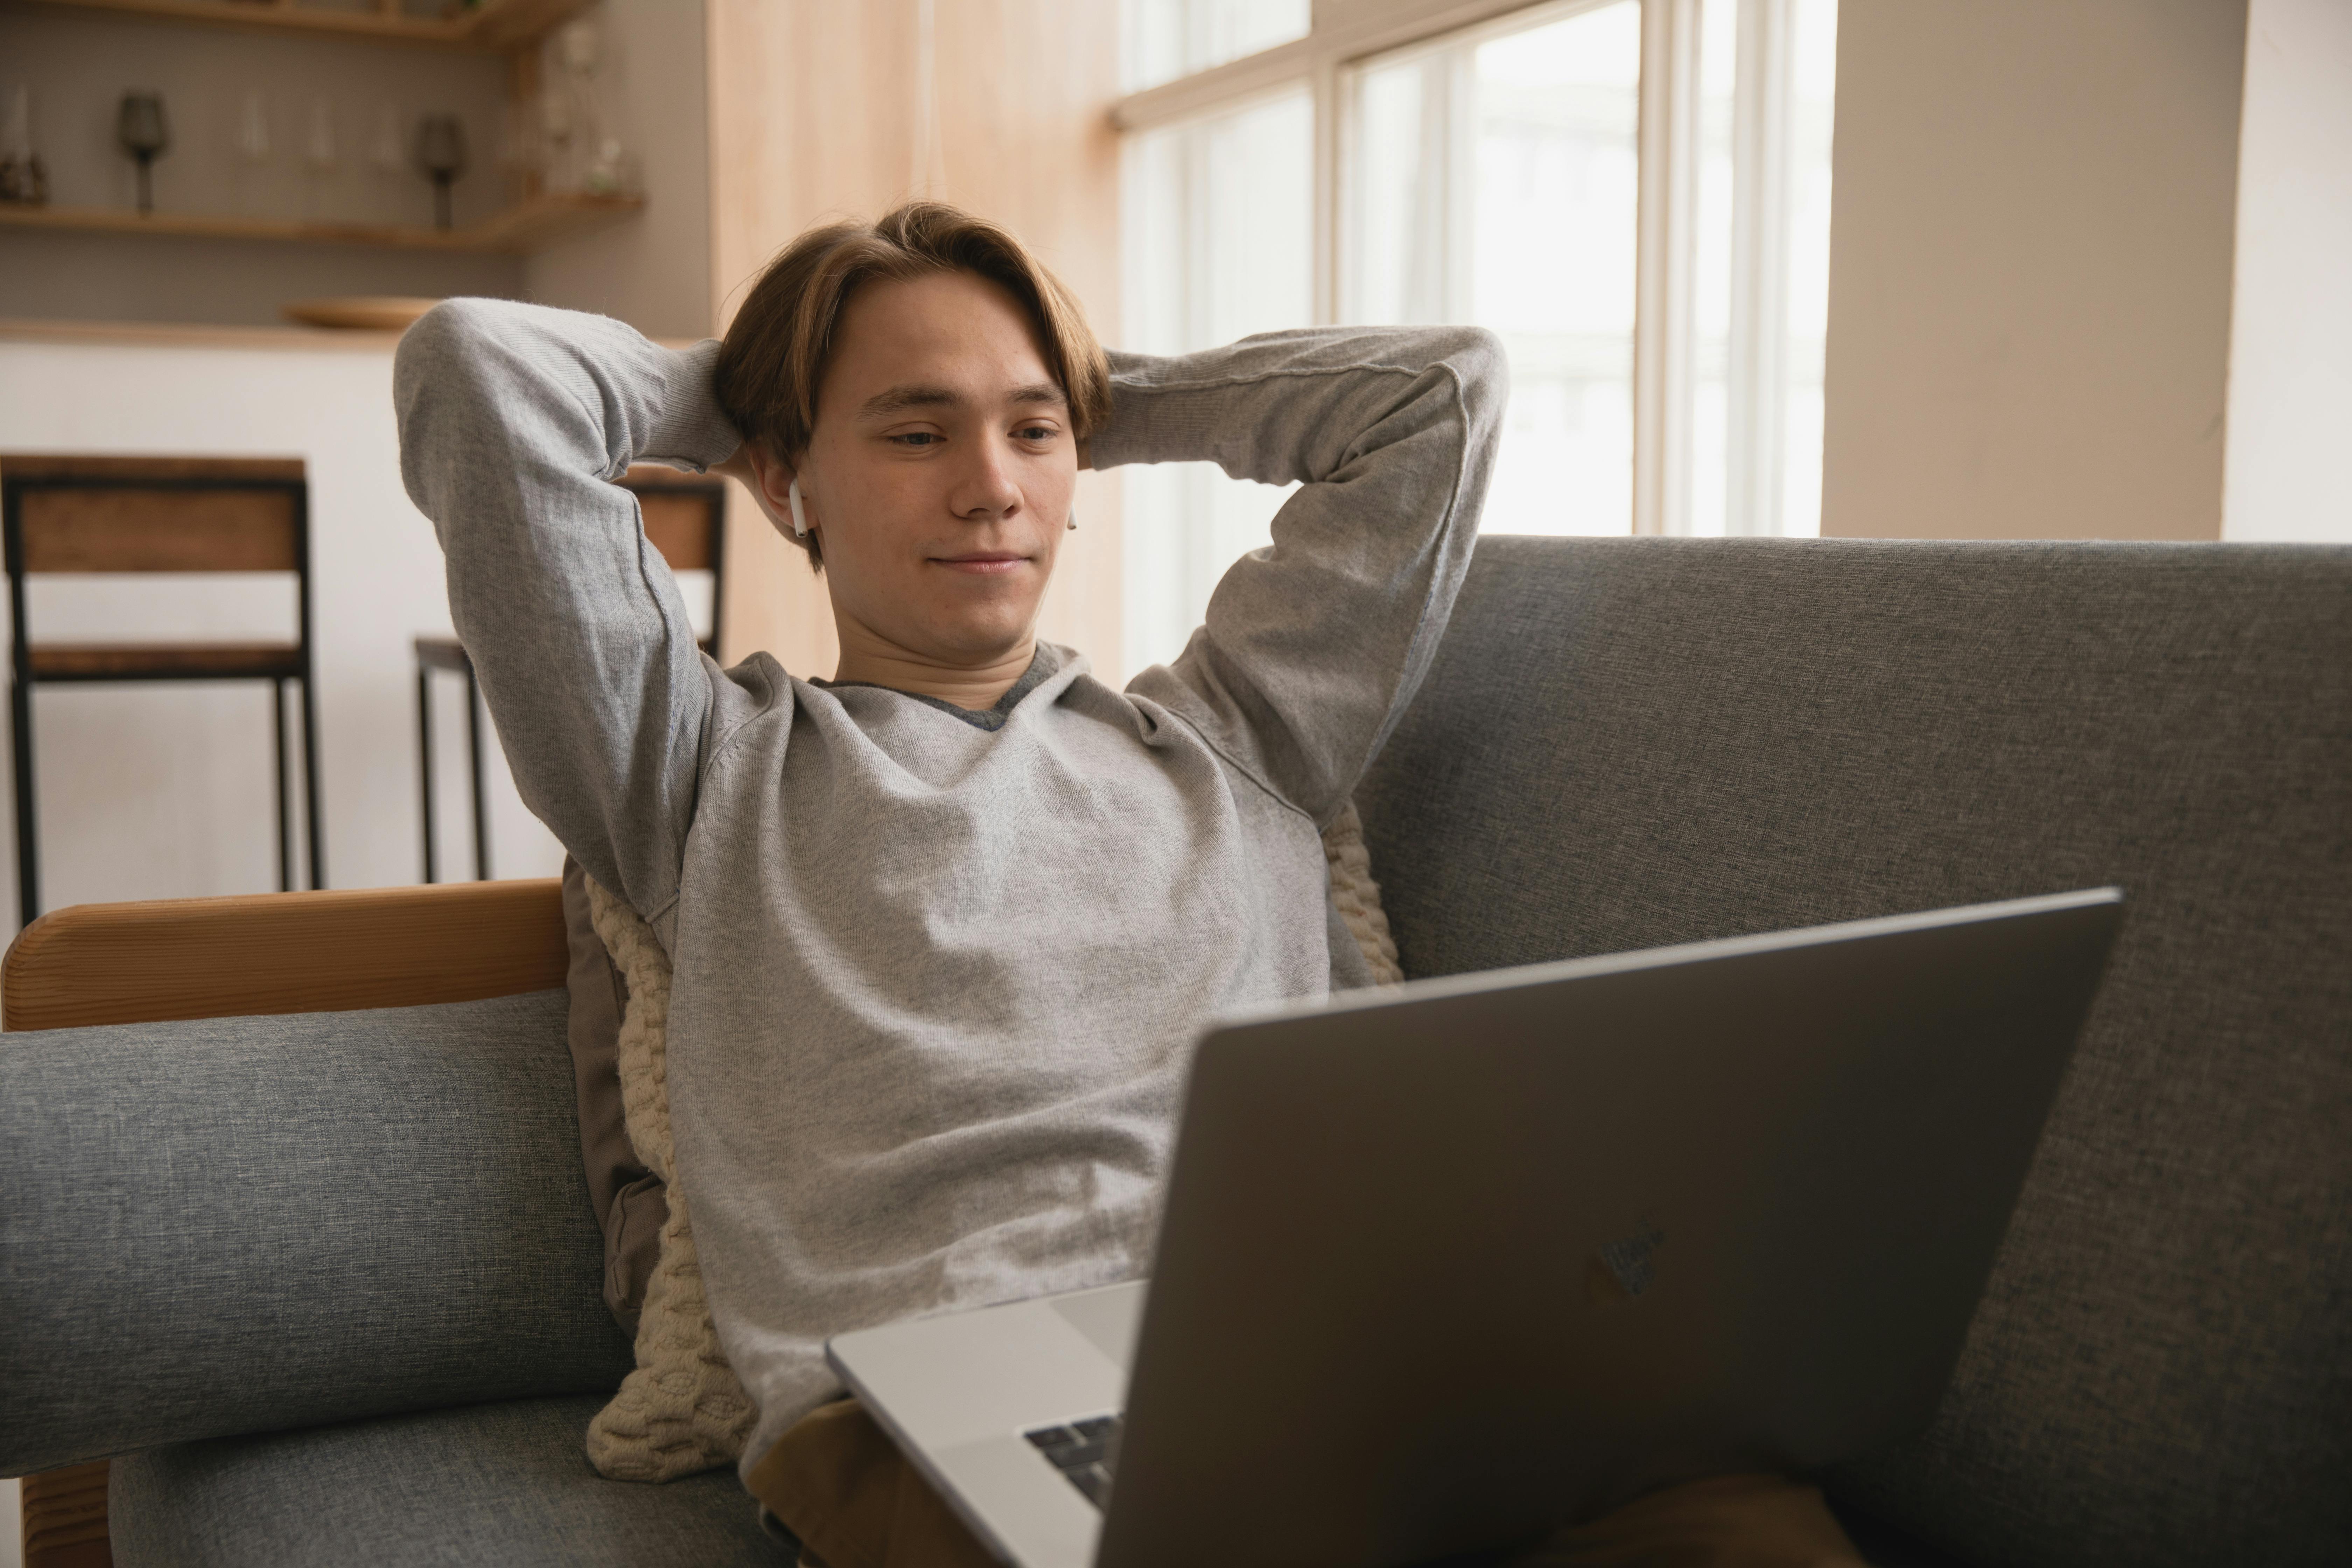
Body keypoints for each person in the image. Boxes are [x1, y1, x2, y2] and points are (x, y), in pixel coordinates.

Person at [395, 201, 1862, 1567]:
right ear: (784, 479)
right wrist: (763, 389)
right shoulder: (699, 770)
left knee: (1747, 1516)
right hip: (942, 1404)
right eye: (913, 434)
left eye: (1034, 434)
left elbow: (1444, 392)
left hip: (1336, 1358)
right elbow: (480, 373)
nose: (991, 489)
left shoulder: (1237, 739)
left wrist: (1097, 396)